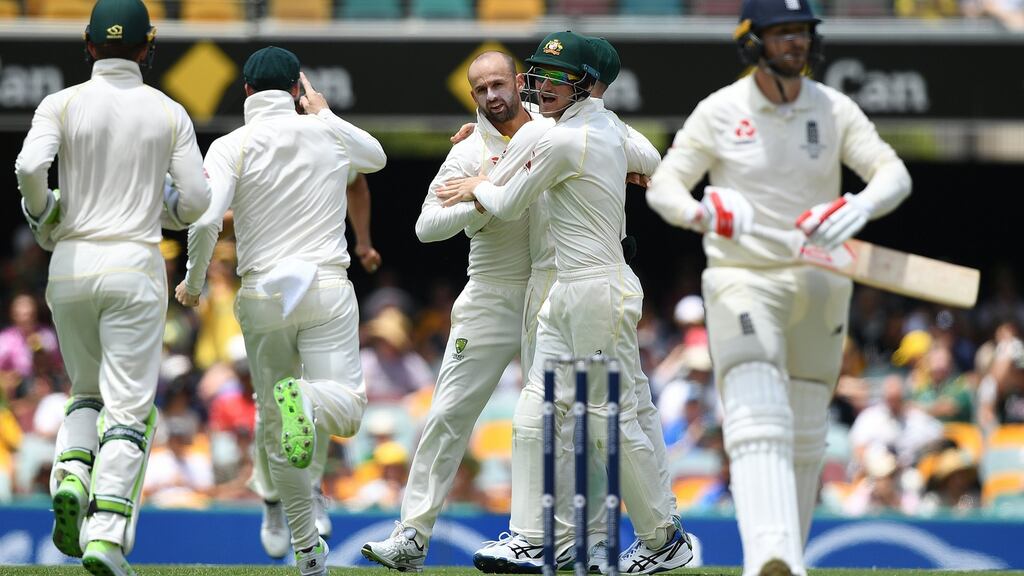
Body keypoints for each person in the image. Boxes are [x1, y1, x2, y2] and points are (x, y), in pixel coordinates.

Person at [644, 0, 913, 572]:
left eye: (802, 33)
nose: (795, 43)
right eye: (783, 33)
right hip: (745, 275)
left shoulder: (834, 108)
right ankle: (770, 553)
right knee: (757, 411)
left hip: (820, 277)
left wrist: (861, 204)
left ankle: (786, 558)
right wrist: (703, 215)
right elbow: (664, 187)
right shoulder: (720, 111)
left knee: (809, 427)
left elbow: (894, 173)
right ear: (752, 43)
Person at [438, 32, 691, 575]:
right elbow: (652, 160)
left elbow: (505, 205)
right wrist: (626, 169)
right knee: (536, 408)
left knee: (608, 421)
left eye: (558, 77)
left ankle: (664, 538)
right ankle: (531, 538)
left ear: (589, 84)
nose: (541, 86)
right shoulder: (602, 127)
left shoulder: (559, 140)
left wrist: (478, 182)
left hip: (597, 287)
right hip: (569, 292)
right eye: (539, 74)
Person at [13, 0, 211, 573]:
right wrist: (160, 206)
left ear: (89, 44)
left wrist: (44, 213)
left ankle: (72, 471)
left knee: (84, 389)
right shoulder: (168, 110)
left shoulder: (62, 102)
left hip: (70, 263)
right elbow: (196, 204)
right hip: (134, 263)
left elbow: (29, 169)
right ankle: (104, 532)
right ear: (148, 47)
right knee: (129, 407)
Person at [177, 46, 386, 576]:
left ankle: (306, 551)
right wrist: (324, 113)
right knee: (346, 410)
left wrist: (193, 282)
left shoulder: (231, 144)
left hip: (262, 295)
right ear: (299, 89)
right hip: (325, 288)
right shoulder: (327, 131)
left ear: (246, 92)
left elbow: (203, 222)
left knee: (277, 418)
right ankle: (296, 450)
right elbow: (377, 156)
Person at [361, 50, 538, 572]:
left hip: (551, 289)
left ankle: (555, 537)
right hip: (490, 291)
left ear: (519, 81)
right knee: (447, 415)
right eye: (481, 89)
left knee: (554, 415)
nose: (491, 96)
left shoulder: (550, 131)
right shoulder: (467, 151)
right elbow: (425, 227)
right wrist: (480, 201)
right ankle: (412, 535)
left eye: (498, 84)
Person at [253, 171, 385, 558]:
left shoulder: (325, 135)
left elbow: (359, 179)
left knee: (313, 391)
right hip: (267, 286)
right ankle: (273, 498)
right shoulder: (250, 144)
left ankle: (307, 488)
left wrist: (362, 241)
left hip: (320, 282)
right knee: (271, 406)